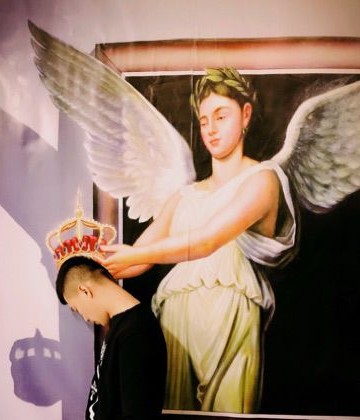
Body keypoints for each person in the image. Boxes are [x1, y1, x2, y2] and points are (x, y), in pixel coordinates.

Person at [101, 69, 297, 413]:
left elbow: (207, 241)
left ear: (245, 115)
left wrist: (132, 254)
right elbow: (137, 260)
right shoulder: (185, 195)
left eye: (221, 116)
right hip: (176, 319)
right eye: (204, 120)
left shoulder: (262, 179)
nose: (210, 129)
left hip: (232, 318)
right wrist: (93, 263)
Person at [55, 255, 167, 420]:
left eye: (77, 309)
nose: (85, 318)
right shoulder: (121, 326)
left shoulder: (136, 333)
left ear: (85, 291)